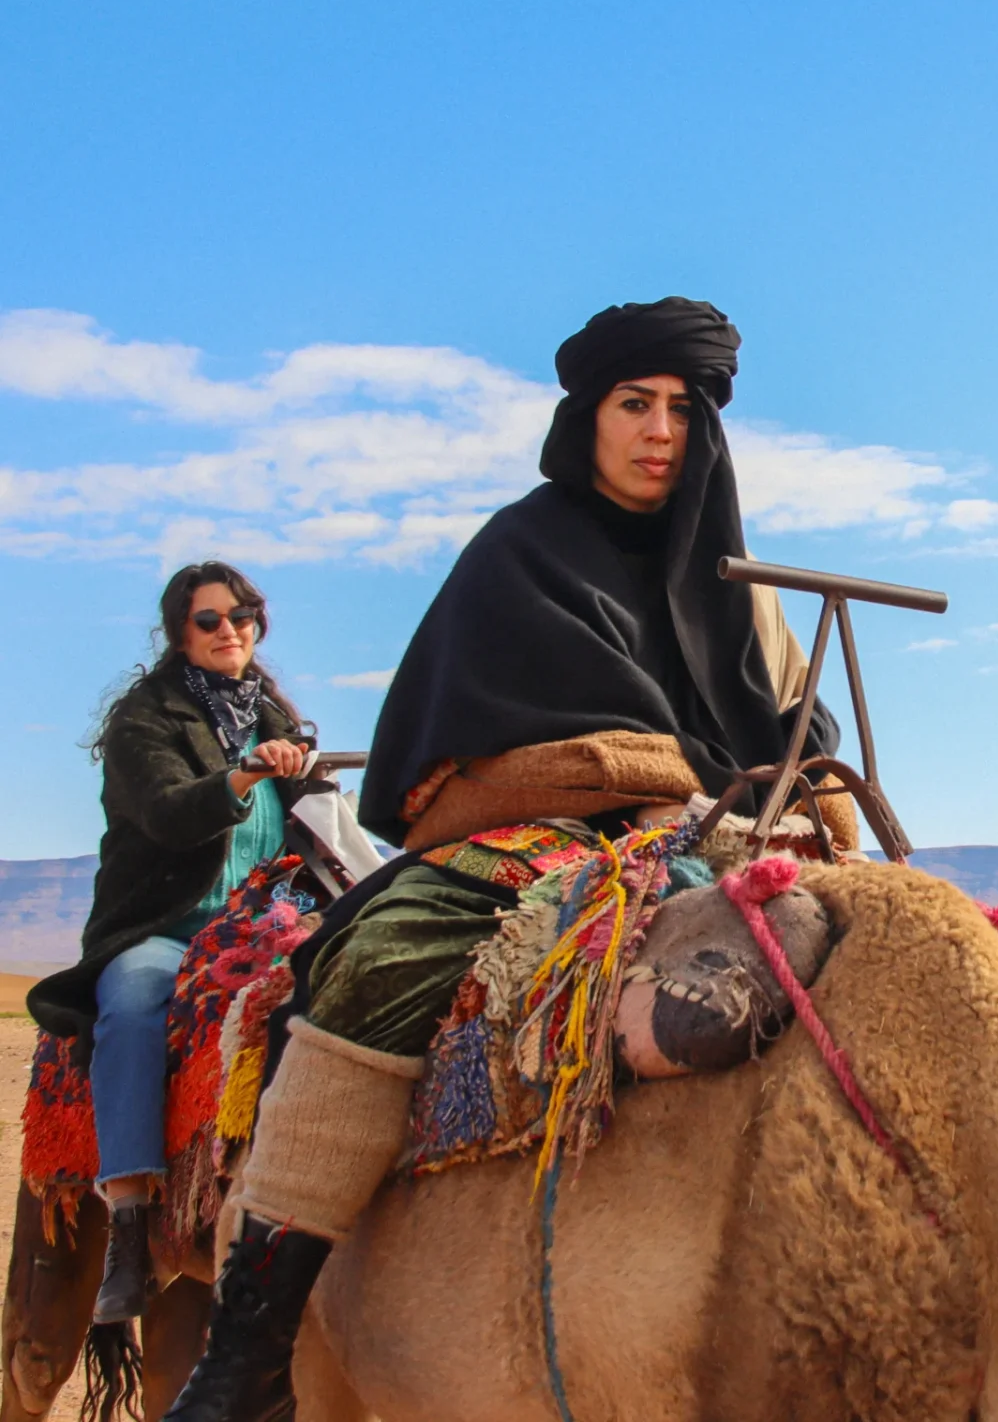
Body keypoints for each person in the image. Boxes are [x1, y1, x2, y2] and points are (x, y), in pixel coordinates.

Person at [164, 297, 841, 1422]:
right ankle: (249, 1347)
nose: (659, 431)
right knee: (381, 958)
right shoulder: (520, 553)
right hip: (543, 832)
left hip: (724, 828)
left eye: (682, 409)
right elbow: (470, 735)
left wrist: (787, 757)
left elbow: (786, 717)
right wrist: (641, 771)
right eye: (634, 404)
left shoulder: (740, 577)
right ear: (588, 419)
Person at [27, 563, 310, 1326]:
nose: (229, 631)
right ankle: (127, 1222)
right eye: (209, 620)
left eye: (241, 616)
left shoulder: (276, 722)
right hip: (166, 929)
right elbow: (166, 814)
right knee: (133, 1002)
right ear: (180, 632)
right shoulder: (145, 719)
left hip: (266, 926)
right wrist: (241, 777)